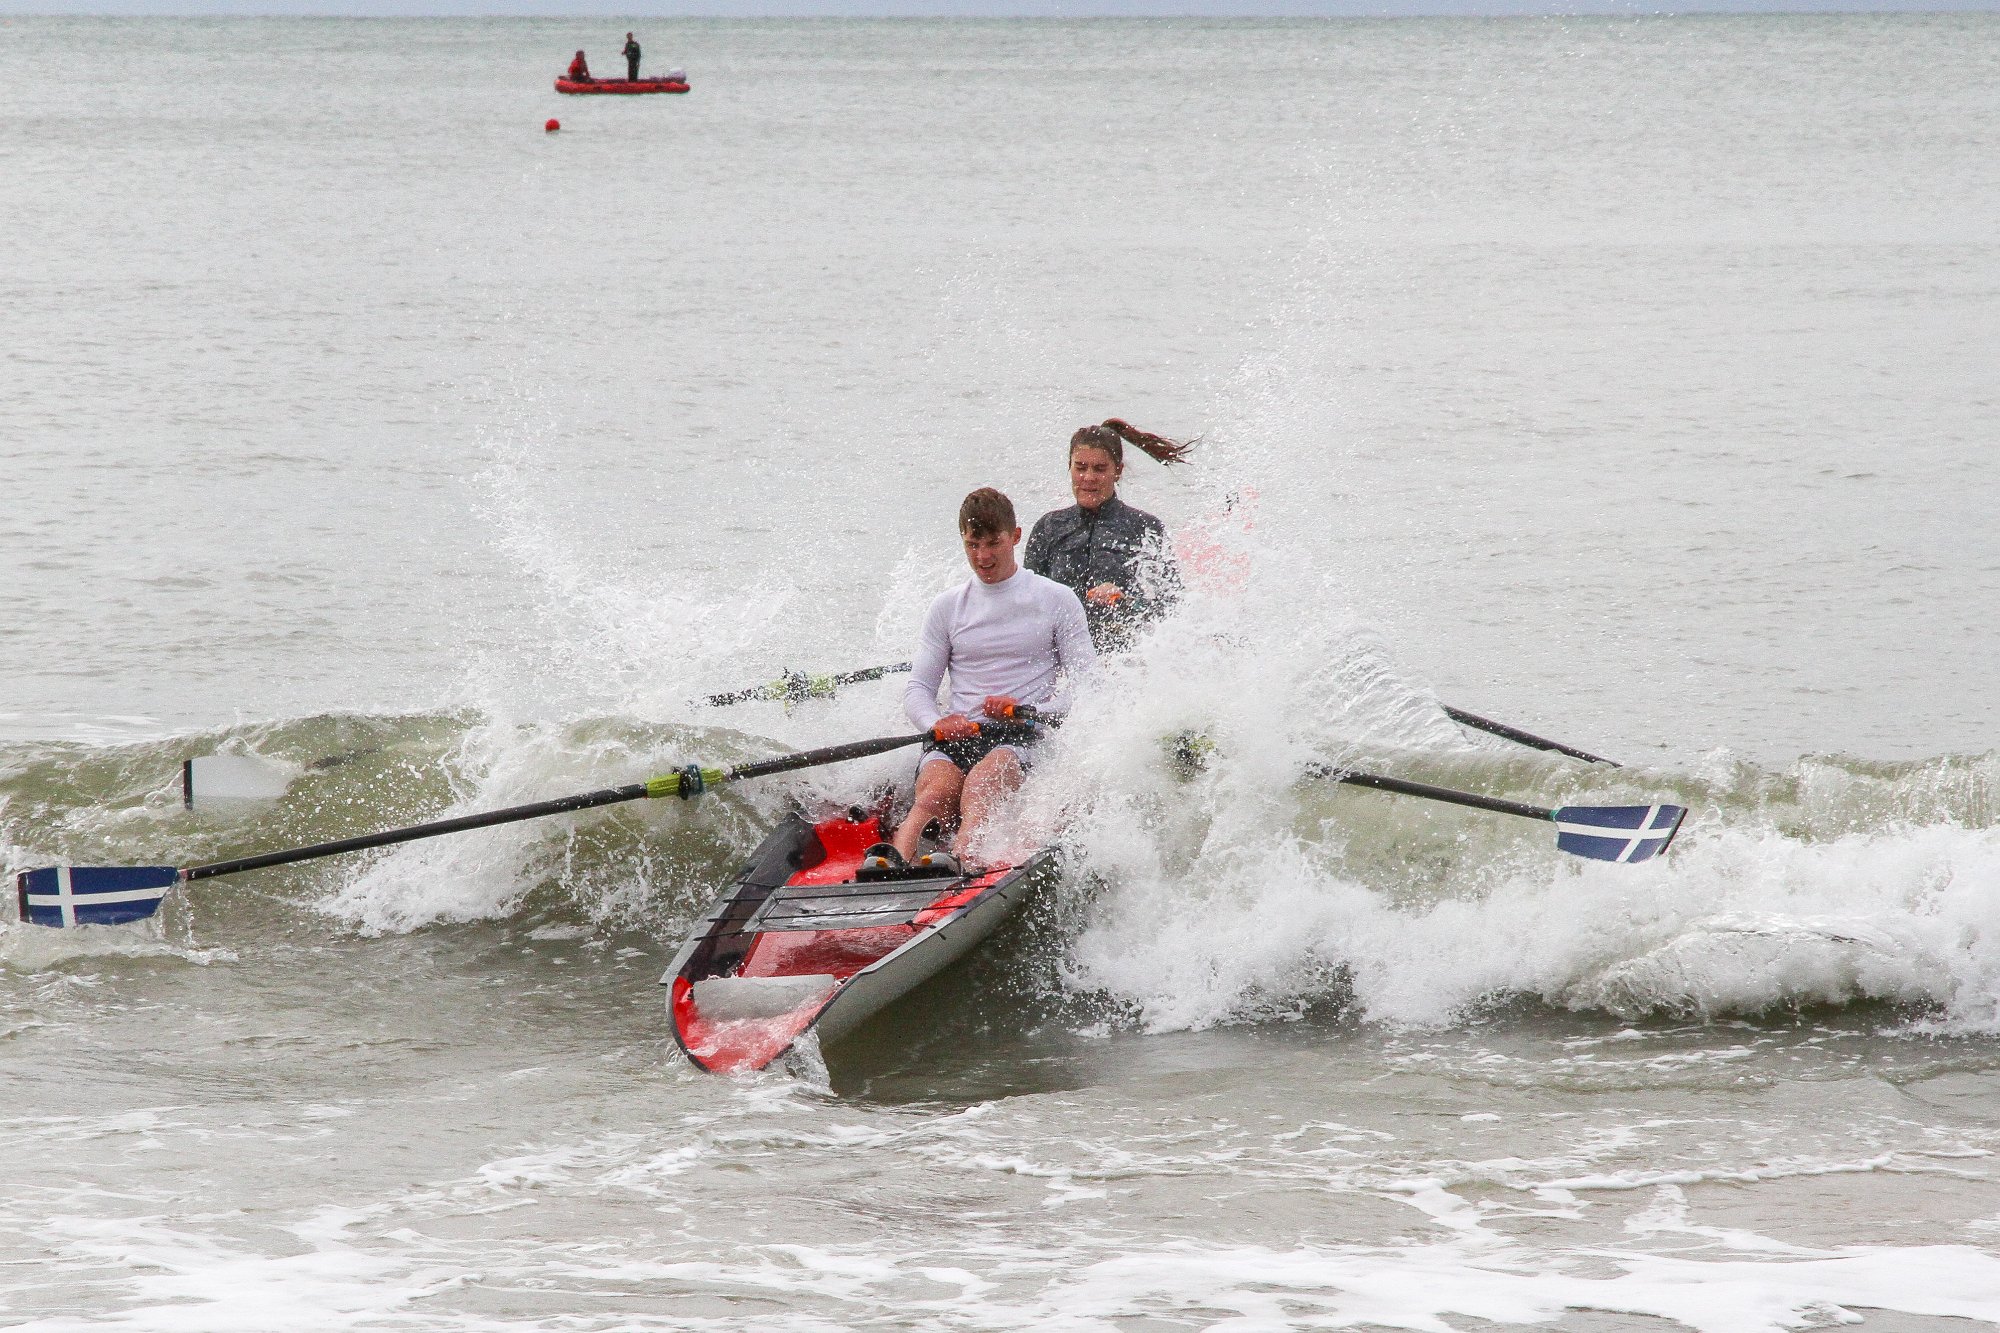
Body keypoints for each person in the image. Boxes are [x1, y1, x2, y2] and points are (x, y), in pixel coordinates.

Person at [864, 487, 1096, 875]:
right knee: (934, 793)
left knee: (982, 786)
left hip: (1023, 736)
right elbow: (919, 689)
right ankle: (889, 867)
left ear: (1016, 537)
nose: (983, 557)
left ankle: (960, 864)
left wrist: (1025, 710)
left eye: (993, 543)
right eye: (973, 545)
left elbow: (1090, 688)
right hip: (960, 734)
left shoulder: (1056, 599)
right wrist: (935, 723)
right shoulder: (947, 607)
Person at [1024, 418, 1193, 652]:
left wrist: (1126, 601)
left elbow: (1170, 607)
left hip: (1123, 661)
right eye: (1080, 467)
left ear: (1118, 471)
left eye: (1099, 469)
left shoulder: (1145, 528)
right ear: (1069, 467)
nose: (1089, 478)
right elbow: (1025, 602)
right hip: (1060, 658)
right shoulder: (1049, 527)